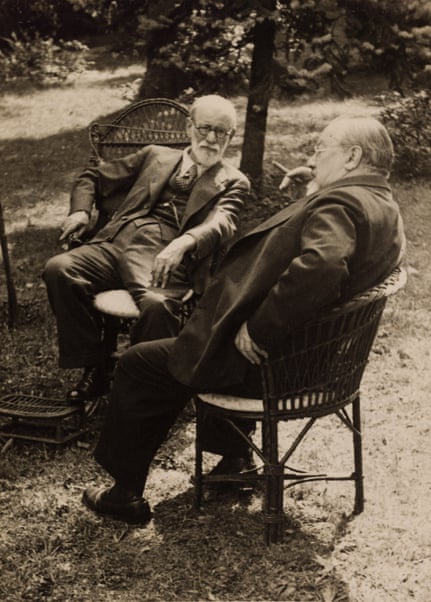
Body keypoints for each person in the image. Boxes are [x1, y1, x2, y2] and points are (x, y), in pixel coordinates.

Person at [81, 115, 406, 525]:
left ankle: (123, 492)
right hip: (316, 358)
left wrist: (259, 327)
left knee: (140, 364)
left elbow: (323, 265)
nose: (313, 156)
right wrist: (318, 183)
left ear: (353, 157)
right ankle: (235, 460)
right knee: (205, 344)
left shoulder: (341, 202)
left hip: (277, 364)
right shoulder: (378, 201)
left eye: (321, 150)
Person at [43, 95, 250, 403]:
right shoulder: (155, 155)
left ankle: (144, 391)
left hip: (166, 258)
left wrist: (184, 242)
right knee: (59, 269)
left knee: (155, 306)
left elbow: (222, 222)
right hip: (114, 244)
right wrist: (81, 212)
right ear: (189, 126)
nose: (211, 138)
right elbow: (93, 176)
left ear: (230, 137)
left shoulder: (233, 181)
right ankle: (95, 367)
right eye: (205, 127)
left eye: (221, 132)